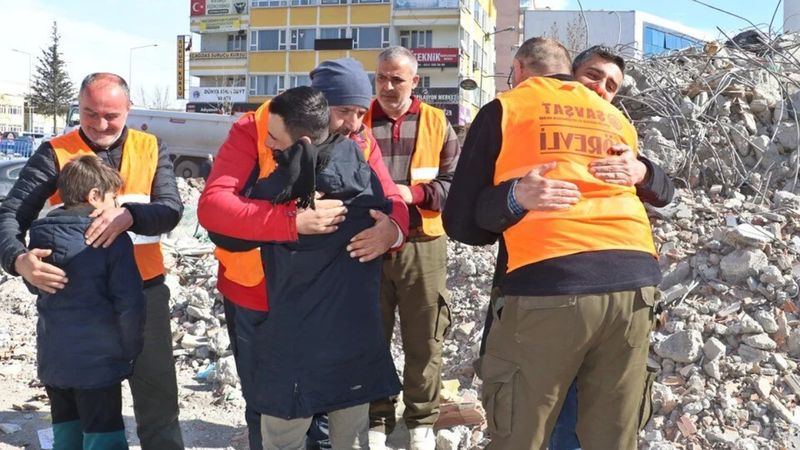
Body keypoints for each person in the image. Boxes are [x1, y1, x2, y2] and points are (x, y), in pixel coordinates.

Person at [443, 37, 669, 449]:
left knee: (521, 432)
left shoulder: (508, 107)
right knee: (612, 436)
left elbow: (462, 224)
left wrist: (513, 199)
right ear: (572, 72)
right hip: (637, 284)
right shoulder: (614, 119)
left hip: (552, 283)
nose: (601, 87)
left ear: (518, 70)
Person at [198, 58, 409, 450]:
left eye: (362, 112)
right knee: (269, 404)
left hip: (328, 303)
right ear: (313, 105)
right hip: (257, 297)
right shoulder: (255, 129)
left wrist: (391, 231)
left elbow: (392, 198)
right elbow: (213, 207)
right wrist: (289, 222)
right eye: (345, 111)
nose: (354, 122)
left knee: (331, 408)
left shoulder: (358, 139)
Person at [0, 73, 185, 450]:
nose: (100, 125)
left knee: (157, 403)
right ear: (77, 107)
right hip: (75, 303)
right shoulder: (54, 151)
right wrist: (19, 260)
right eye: (90, 114)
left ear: (129, 110)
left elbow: (170, 209)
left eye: (111, 115)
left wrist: (131, 215)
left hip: (143, 296)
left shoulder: (151, 147)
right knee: (83, 411)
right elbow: (10, 215)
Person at [364, 46, 460, 450]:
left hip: (423, 244)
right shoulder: (358, 120)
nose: (387, 86)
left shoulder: (438, 123)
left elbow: (456, 184)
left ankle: (420, 420)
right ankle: (376, 418)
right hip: (368, 244)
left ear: (414, 82)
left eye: (397, 79)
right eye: (382, 77)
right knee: (370, 335)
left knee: (425, 335)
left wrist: (415, 193)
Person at [29, 155, 145, 450]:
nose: (116, 207)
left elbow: (36, 287)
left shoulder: (41, 233)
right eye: (112, 198)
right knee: (103, 438)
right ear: (94, 197)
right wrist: (130, 349)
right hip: (99, 366)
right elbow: (130, 302)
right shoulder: (113, 239)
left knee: (66, 436)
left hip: (55, 361)